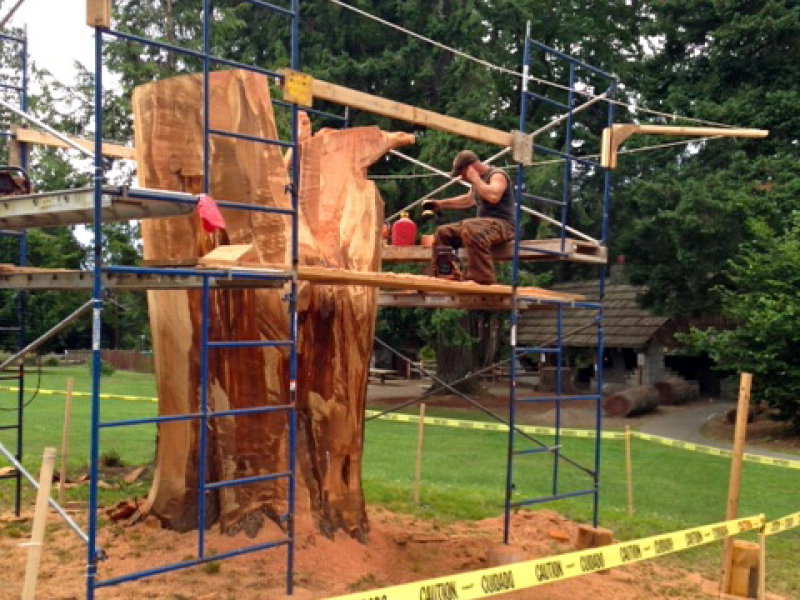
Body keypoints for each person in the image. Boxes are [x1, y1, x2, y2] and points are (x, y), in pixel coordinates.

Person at [423, 150, 515, 285]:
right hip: (482, 227)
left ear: (470, 168)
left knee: (469, 226)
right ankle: (445, 273)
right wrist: (440, 204)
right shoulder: (477, 182)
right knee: (443, 232)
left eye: (461, 174)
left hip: (503, 226)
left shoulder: (497, 175)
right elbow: (468, 200)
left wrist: (476, 179)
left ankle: (482, 279)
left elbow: (493, 197)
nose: (461, 178)